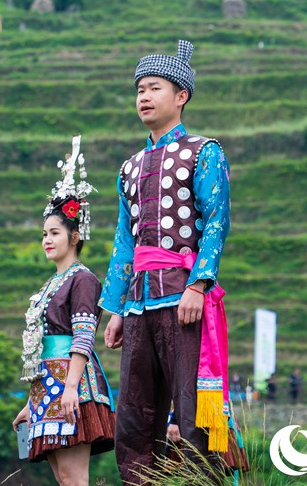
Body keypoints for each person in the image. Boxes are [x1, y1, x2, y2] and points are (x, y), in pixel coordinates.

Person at [100, 40, 232, 484]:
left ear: (181, 96)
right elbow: (124, 241)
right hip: (138, 304)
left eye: (154, 87)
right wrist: (114, 310)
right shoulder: (129, 167)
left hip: (183, 299)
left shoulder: (203, 151)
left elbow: (216, 220)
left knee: (192, 410)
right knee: (135, 414)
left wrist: (199, 284)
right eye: (139, 88)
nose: (143, 96)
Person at [12, 135, 115, 486]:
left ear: (75, 236)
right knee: (63, 478)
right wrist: (32, 400)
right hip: (47, 387)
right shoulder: (49, 285)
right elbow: (40, 346)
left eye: (54, 232)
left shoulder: (83, 279)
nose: (46, 240)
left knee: (74, 479)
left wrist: (70, 387)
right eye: (44, 233)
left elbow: (83, 336)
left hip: (71, 386)